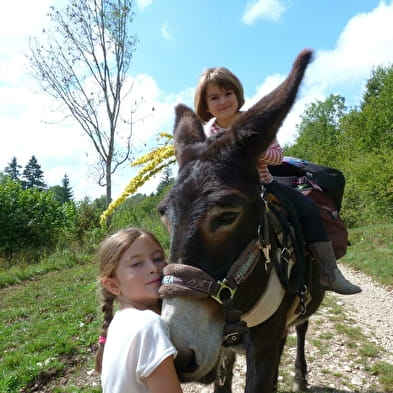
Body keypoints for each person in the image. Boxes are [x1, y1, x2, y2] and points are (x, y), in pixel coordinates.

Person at [193, 66, 361, 295]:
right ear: (205, 104)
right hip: (227, 194)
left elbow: (278, 154)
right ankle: (197, 278)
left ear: (237, 95)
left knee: (308, 207)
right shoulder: (206, 135)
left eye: (228, 93)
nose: (223, 101)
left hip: (264, 184)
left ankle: (329, 272)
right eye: (214, 97)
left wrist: (259, 152)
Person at [95, 227, 183, 393]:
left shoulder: (119, 323)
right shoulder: (148, 325)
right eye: (136, 264)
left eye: (157, 258)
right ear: (113, 285)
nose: (153, 268)